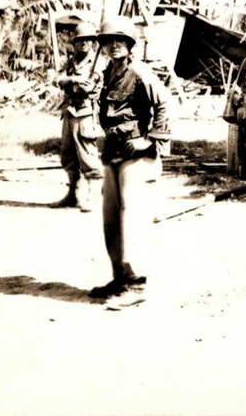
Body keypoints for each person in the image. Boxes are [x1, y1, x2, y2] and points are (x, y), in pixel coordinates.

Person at [89, 16, 171, 307]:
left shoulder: (139, 71)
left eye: (119, 40)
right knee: (111, 218)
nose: (113, 46)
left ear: (129, 43)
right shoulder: (109, 72)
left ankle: (136, 286)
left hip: (135, 155)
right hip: (112, 152)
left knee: (133, 219)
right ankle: (119, 277)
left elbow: (164, 102)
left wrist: (150, 139)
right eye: (108, 41)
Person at [53, 21, 103, 211]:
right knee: (68, 154)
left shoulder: (98, 62)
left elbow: (88, 87)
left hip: (85, 112)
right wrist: (72, 79)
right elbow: (57, 79)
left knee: (87, 154)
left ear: (92, 42)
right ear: (74, 43)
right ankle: (72, 194)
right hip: (69, 111)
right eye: (80, 40)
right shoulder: (71, 61)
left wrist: (70, 82)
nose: (83, 43)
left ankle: (93, 196)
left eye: (88, 40)